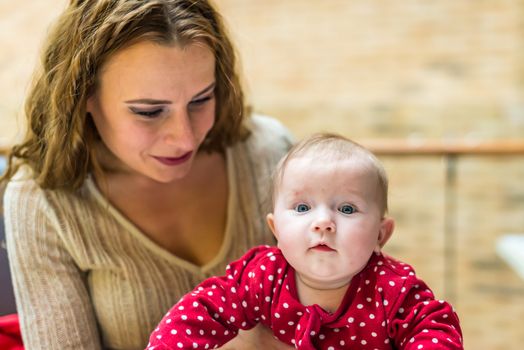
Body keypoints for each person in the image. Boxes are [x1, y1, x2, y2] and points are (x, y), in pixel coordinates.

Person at [1, 1, 293, 349]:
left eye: (201, 100)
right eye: (149, 111)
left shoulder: (269, 151)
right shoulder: (41, 201)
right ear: (82, 97)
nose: (185, 138)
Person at [146, 133, 464, 350]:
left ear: (381, 234)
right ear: (275, 229)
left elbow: (435, 329)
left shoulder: (393, 290)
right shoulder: (266, 275)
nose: (322, 222)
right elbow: (205, 309)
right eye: (302, 208)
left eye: (347, 208)